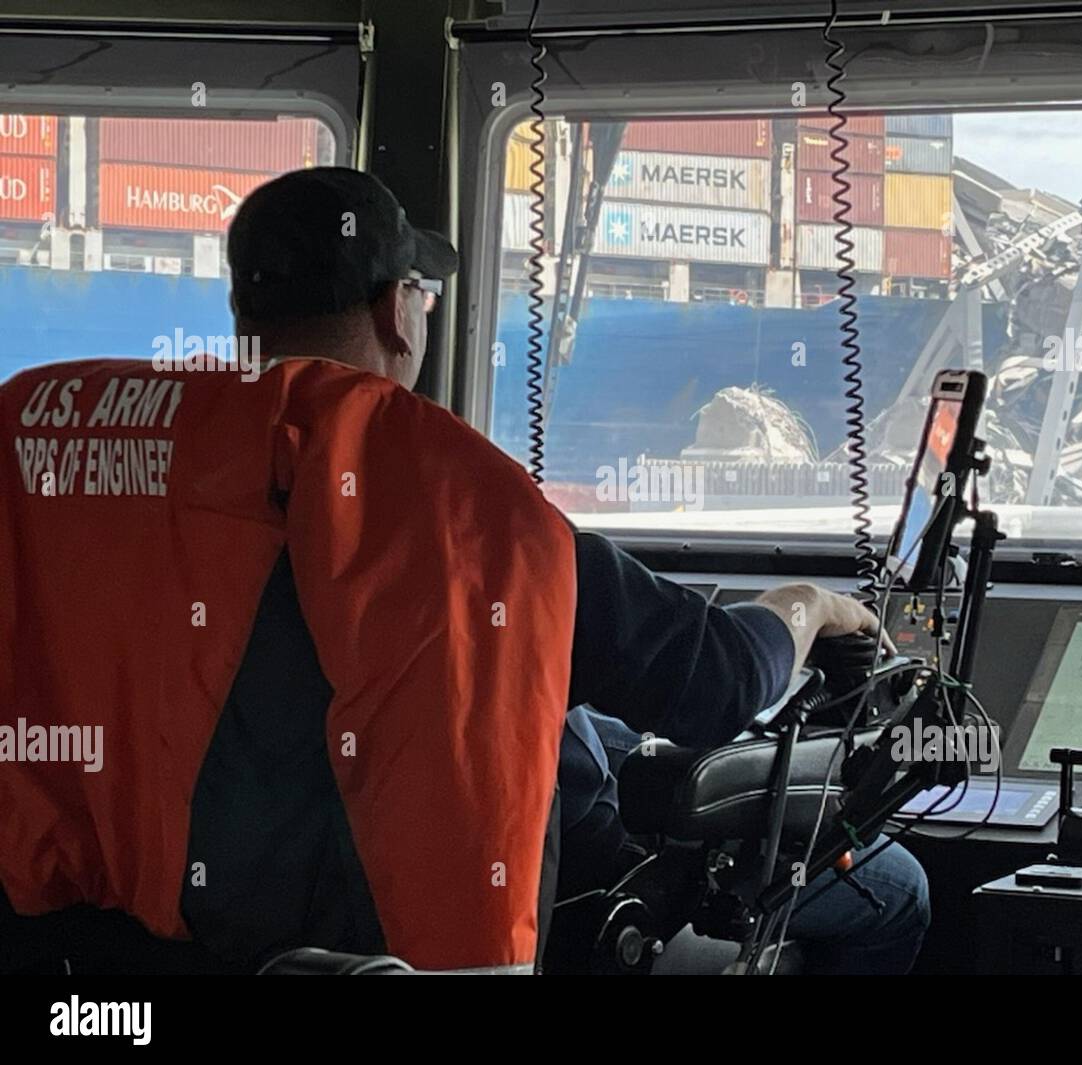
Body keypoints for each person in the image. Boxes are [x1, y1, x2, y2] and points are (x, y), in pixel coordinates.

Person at [0, 167, 926, 975]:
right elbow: (718, 681)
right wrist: (808, 606)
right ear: (392, 313)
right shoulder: (469, 503)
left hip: (105, 960)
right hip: (457, 943)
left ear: (245, 313)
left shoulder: (83, 459)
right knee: (896, 891)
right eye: (422, 292)